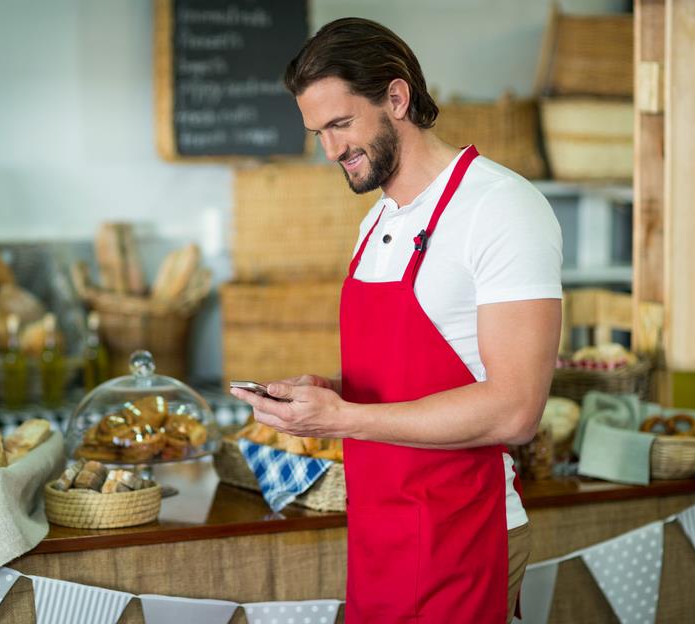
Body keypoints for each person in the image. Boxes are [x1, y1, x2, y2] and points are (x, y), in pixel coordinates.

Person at [229, 17, 563, 624]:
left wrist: (346, 418)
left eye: (340, 124)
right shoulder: (376, 222)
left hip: (465, 535)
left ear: (397, 97)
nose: (331, 151)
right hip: (379, 536)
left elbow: (517, 410)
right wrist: (328, 394)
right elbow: (410, 376)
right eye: (317, 133)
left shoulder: (501, 208)